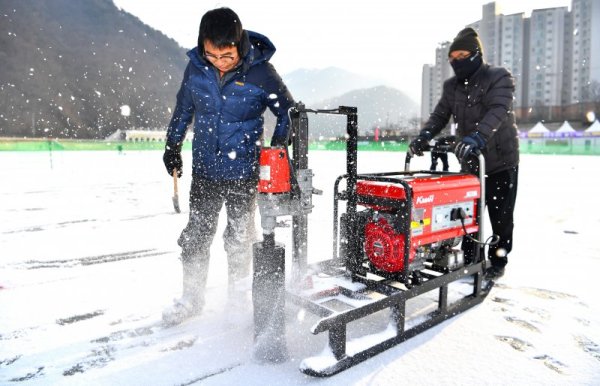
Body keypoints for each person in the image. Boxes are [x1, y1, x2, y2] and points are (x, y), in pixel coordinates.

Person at [162, 7, 294, 325]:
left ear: (240, 45)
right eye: (212, 55)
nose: (219, 63)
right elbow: (182, 111)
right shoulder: (195, 70)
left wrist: (275, 150)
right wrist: (172, 147)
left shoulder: (262, 72)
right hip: (206, 171)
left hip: (244, 173)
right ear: (202, 46)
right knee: (196, 236)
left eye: (227, 56)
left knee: (239, 238)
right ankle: (191, 299)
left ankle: (237, 299)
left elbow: (289, 111)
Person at [409, 27, 519, 280]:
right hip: (471, 160)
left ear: (476, 54)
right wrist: (424, 136)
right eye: (453, 57)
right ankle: (470, 258)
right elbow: (439, 116)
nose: (456, 60)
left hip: (501, 159)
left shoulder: (498, 77)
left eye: (462, 54)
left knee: (500, 214)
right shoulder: (452, 87)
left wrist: (479, 135)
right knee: (469, 213)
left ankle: (499, 258)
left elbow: (498, 110)